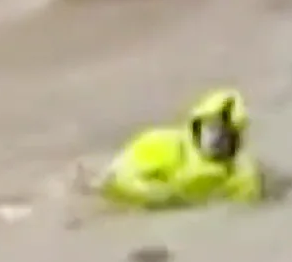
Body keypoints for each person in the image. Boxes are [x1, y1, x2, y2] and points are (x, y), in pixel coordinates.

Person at [95, 88, 266, 209]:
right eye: (213, 130)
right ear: (198, 124)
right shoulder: (163, 144)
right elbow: (118, 176)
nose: (219, 139)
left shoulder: (239, 173)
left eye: (229, 133)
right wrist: (167, 197)